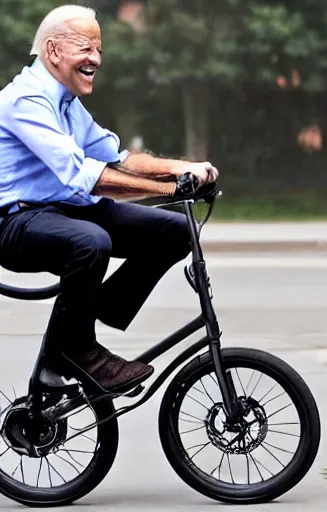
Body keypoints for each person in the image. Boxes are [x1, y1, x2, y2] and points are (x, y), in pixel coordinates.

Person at [0, 5, 219, 394]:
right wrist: (170, 190)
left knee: (177, 230)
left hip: (65, 212)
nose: (96, 59)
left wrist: (184, 169)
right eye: (86, 48)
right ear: (53, 51)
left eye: (99, 50)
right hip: (18, 223)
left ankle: (91, 312)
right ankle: (80, 351)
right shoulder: (26, 101)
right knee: (90, 241)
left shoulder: (66, 103)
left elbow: (118, 158)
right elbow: (86, 177)